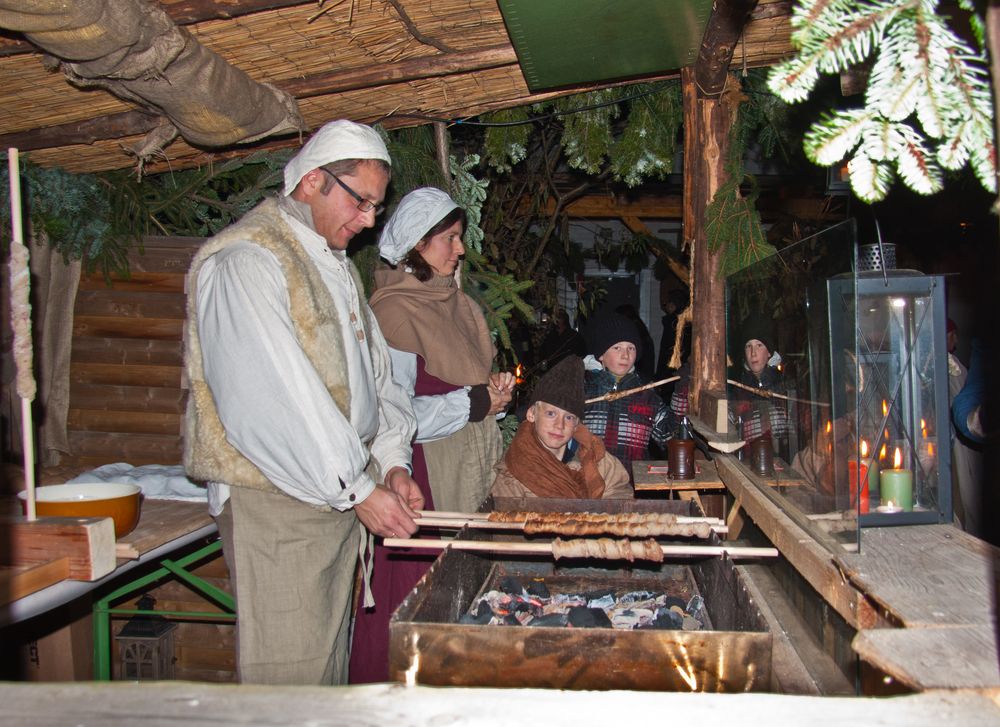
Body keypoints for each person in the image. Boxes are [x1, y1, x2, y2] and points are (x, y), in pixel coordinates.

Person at [183, 120, 424, 686]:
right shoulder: (246, 260)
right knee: (288, 686)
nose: (368, 220)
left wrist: (391, 462)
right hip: (279, 503)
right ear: (314, 179)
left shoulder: (330, 263)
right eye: (361, 201)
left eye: (376, 207)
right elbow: (272, 399)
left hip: (333, 495)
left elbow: (376, 378)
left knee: (323, 675)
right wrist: (357, 486)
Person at [350, 187, 514, 682]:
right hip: (421, 477)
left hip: (465, 469)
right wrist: (473, 403)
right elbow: (391, 413)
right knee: (420, 598)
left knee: (464, 595)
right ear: (417, 246)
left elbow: (466, 384)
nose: (459, 249)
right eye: (449, 238)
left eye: (458, 237)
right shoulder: (395, 313)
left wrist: (492, 394)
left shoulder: (458, 306)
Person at [491, 355, 632, 499]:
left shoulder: (598, 460)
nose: (560, 425)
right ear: (532, 414)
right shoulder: (514, 468)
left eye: (569, 417)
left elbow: (620, 497)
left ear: (577, 423)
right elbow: (506, 515)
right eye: (551, 414)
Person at [582, 311, 676, 479]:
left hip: (632, 483)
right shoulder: (583, 388)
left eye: (631, 348)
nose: (625, 355)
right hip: (589, 481)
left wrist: (684, 415)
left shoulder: (645, 394)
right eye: (617, 348)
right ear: (601, 354)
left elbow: (669, 436)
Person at [732, 325, 790, 443]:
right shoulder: (738, 387)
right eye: (748, 346)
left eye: (759, 345)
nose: (753, 353)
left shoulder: (784, 384)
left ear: (769, 352)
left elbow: (791, 432)